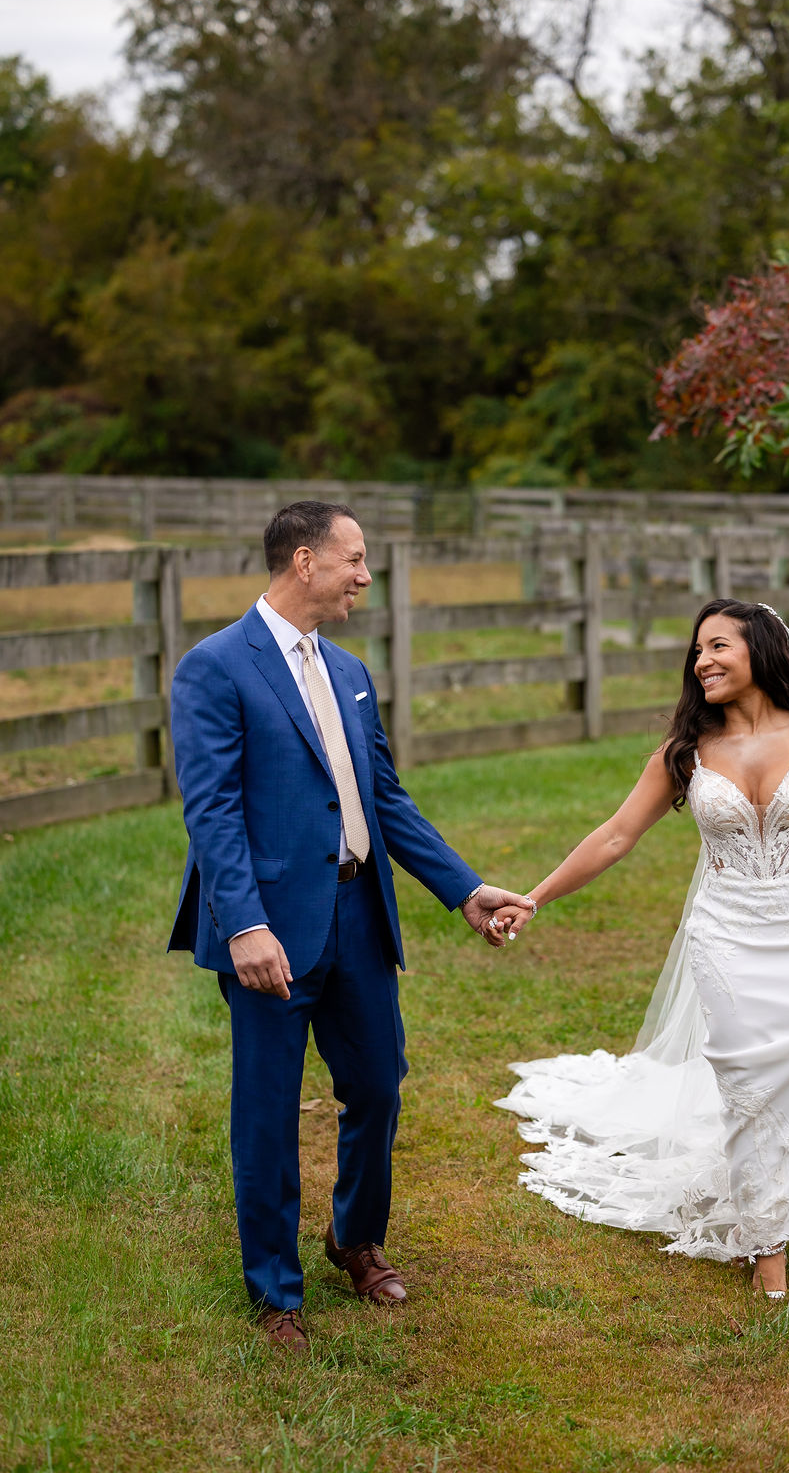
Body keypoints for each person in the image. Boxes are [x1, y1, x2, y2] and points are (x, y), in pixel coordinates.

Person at [168, 500, 532, 1354]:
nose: (365, 575)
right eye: (354, 559)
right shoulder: (214, 667)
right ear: (304, 561)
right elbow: (212, 812)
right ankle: (274, 1293)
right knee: (266, 1110)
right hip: (270, 931)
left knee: (376, 1087)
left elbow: (386, 800)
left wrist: (464, 889)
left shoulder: (352, 670)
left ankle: (353, 1239)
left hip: (359, 913)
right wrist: (246, 924)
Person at [494, 599, 789, 1300]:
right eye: (697, 651)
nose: (703, 661)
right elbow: (616, 834)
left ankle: (778, 1198)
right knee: (745, 1082)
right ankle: (766, 1242)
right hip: (727, 939)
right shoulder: (686, 752)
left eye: (719, 646)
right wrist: (534, 896)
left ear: (763, 652)